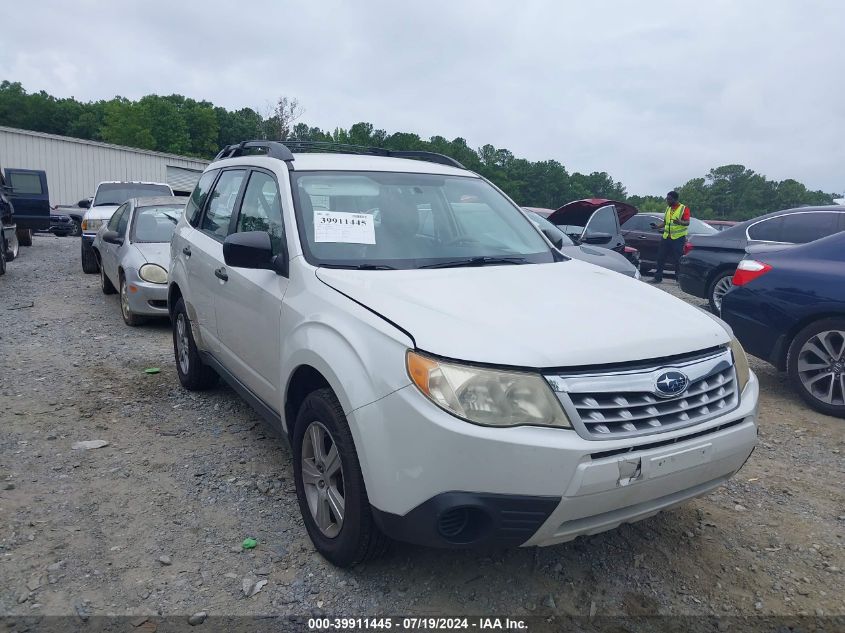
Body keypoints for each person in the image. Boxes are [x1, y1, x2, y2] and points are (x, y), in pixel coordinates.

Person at [649, 191, 690, 284]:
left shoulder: (684, 208)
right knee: (660, 257)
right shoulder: (668, 208)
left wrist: (680, 222)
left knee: (677, 259)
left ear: (675, 199)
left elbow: (687, 222)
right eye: (667, 199)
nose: (667, 201)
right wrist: (657, 227)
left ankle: (678, 279)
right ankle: (657, 278)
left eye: (669, 199)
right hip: (666, 237)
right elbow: (665, 222)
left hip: (678, 238)